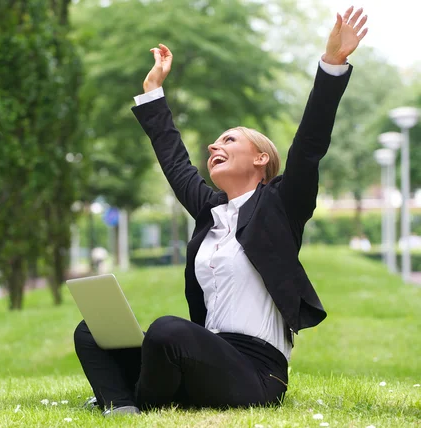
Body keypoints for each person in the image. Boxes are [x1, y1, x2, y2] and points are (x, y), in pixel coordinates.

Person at [74, 6, 368, 416]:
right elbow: (175, 162)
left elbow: (310, 143)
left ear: (262, 159)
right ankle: (123, 408)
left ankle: (129, 397)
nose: (214, 147)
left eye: (229, 140)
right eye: (213, 143)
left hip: (256, 372)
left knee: (167, 330)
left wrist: (332, 64)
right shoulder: (211, 212)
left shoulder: (282, 205)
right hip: (201, 358)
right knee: (92, 331)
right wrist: (153, 91)